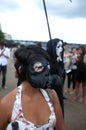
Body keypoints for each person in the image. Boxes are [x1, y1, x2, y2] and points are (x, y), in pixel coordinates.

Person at [0, 45, 66, 130]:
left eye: (47, 67)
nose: (46, 73)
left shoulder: (52, 96)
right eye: (39, 67)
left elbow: (61, 127)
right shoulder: (8, 104)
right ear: (22, 70)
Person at [46, 38, 66, 116]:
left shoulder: (59, 60)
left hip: (58, 94)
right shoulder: (46, 61)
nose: (61, 49)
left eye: (61, 46)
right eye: (58, 46)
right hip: (48, 94)